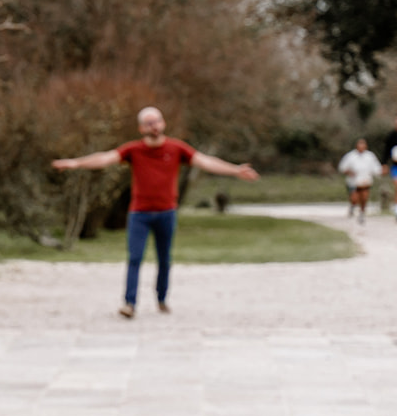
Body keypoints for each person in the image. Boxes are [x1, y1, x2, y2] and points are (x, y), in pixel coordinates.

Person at [51, 106, 259, 319]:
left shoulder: (177, 149)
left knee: (164, 259)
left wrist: (235, 170)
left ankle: (161, 298)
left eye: (157, 121)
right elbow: (105, 158)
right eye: (149, 123)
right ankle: (129, 304)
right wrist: (75, 163)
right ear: (142, 128)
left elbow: (205, 161)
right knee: (135, 258)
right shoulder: (133, 150)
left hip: (166, 213)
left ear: (163, 123)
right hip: (139, 214)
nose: (155, 126)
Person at [337, 137, 383, 222]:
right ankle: (353, 206)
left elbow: (376, 168)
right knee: (354, 198)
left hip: (365, 180)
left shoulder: (370, 156)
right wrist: (348, 172)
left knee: (364, 197)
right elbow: (342, 167)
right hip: (353, 181)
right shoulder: (350, 156)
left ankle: (362, 212)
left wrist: (381, 172)